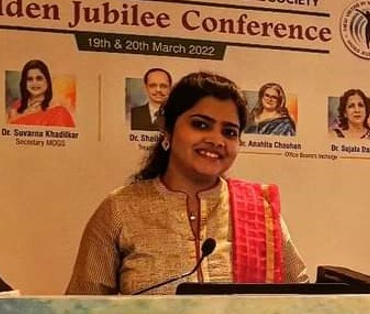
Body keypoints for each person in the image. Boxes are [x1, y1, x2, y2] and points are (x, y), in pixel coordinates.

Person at [66, 72, 308, 295]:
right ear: (168, 129)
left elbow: (304, 300)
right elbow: (81, 309)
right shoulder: (120, 209)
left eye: (229, 132)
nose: (216, 140)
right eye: (200, 125)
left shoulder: (260, 210)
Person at [7, 59, 75, 127]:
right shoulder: (16, 107)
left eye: (39, 78)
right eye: (30, 79)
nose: (34, 83)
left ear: (47, 81)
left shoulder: (59, 113)